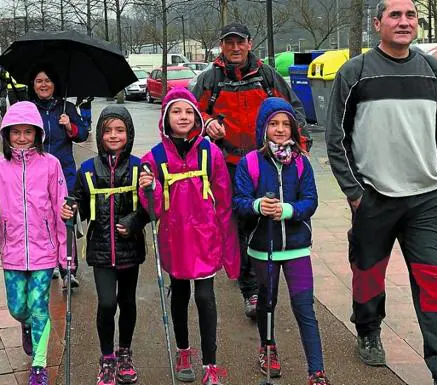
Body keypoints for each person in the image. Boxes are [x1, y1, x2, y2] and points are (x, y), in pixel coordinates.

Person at [325, 1, 437, 385]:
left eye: (410, 16)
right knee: (368, 274)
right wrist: (355, 193)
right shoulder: (355, 73)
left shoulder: (432, 68)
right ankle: (368, 330)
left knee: (432, 280)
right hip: (374, 197)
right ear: (377, 24)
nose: (404, 22)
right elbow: (336, 138)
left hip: (428, 197)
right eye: (395, 16)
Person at [191, 23, 309, 319]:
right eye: (228, 42)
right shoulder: (210, 79)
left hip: (265, 162)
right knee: (242, 224)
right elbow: (191, 113)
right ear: (221, 46)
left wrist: (300, 146)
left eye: (239, 42)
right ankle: (252, 290)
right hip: (229, 165)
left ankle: (269, 274)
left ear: (249, 43)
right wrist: (207, 123)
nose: (234, 48)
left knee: (269, 218)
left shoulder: (268, 76)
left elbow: (292, 111)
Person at [138, 87, 239, 385]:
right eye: (175, 111)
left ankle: (211, 363)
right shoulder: (154, 158)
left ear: (196, 116)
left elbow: (223, 200)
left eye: (187, 111)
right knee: (180, 296)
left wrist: (227, 245)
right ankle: (183, 350)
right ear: (165, 117)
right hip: (175, 241)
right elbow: (152, 207)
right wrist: (149, 187)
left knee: (206, 298)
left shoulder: (211, 153)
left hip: (205, 238)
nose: (182, 117)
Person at [233, 97, 330, 385]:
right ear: (263, 127)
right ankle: (268, 347)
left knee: (304, 307)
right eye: (273, 124)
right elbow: (238, 203)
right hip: (264, 249)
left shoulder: (301, 164)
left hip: (297, 247)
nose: (279, 129)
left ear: (293, 128)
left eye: (285, 124)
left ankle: (317, 371)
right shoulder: (249, 163)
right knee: (268, 302)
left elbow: (310, 201)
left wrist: (288, 211)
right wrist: (257, 206)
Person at [0, 101, 68, 385]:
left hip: (43, 250)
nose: (22, 137)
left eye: (28, 132)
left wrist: (65, 254)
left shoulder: (51, 165)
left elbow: (59, 205)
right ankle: (26, 324)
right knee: (17, 308)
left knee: (40, 307)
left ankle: (39, 365)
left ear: (38, 134)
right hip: (12, 249)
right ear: (7, 135)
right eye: (16, 132)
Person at [61, 105, 148, 385]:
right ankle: (107, 357)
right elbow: (79, 204)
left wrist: (136, 220)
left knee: (128, 302)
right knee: (108, 303)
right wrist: (71, 208)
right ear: (99, 134)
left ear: (129, 133)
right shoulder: (87, 169)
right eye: (108, 130)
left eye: (120, 130)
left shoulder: (139, 167)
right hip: (100, 250)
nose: (113, 135)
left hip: (130, 249)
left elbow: (150, 209)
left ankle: (125, 353)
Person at [28, 64, 89, 287]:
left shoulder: (67, 108)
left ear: (55, 84)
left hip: (65, 173)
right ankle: (49, 262)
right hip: (37, 175)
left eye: (48, 81)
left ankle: (69, 268)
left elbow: (82, 134)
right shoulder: (28, 109)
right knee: (43, 219)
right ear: (33, 86)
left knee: (67, 219)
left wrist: (69, 125)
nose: (43, 85)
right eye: (39, 81)